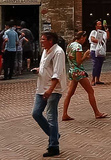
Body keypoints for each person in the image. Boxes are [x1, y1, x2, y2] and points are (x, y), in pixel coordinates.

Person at [33, 31, 65, 159]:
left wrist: (51, 89)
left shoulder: (58, 52)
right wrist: (38, 70)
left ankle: (54, 146)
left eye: (43, 39)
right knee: (36, 113)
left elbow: (57, 72)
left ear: (50, 40)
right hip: (41, 87)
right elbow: (46, 68)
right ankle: (54, 135)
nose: (41, 41)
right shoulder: (45, 51)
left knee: (51, 116)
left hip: (53, 89)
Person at [61, 30, 107, 120]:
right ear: (81, 37)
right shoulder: (78, 46)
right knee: (90, 91)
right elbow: (78, 62)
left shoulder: (70, 45)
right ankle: (97, 113)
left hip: (71, 70)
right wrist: (85, 56)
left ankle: (64, 113)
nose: (84, 41)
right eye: (84, 39)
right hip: (78, 71)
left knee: (69, 93)